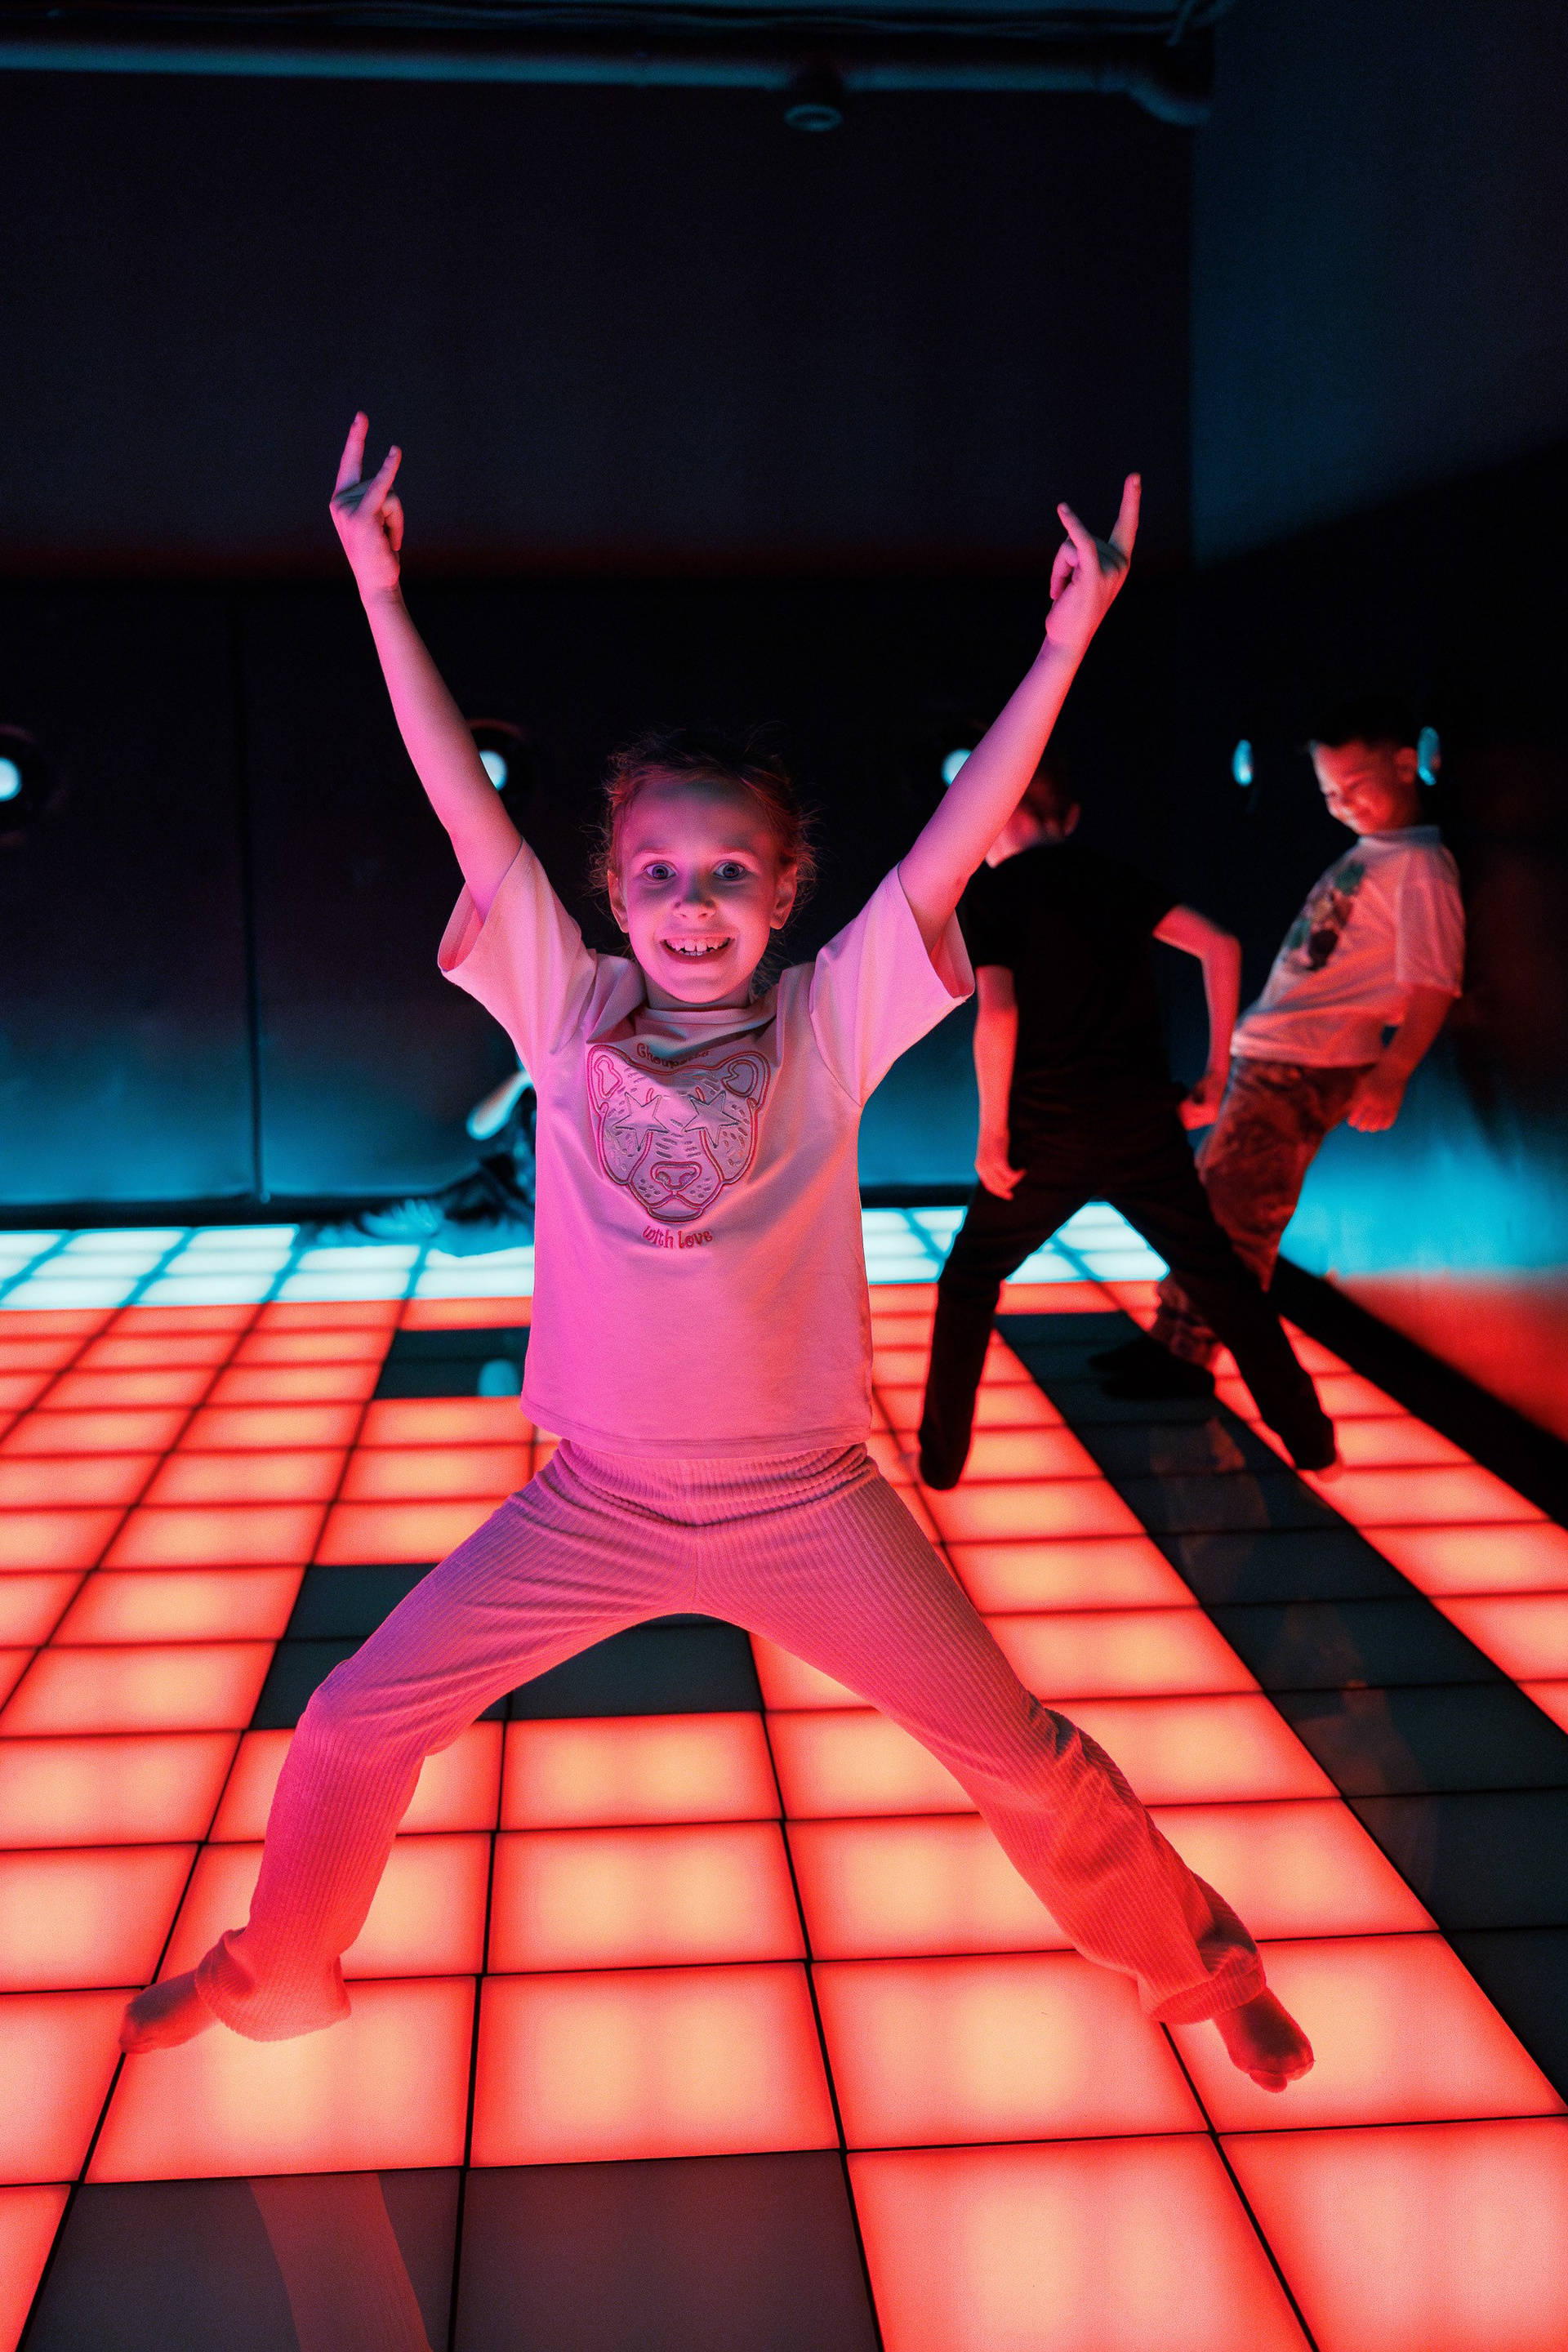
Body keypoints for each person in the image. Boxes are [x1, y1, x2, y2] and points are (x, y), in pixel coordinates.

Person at [119, 421, 1312, 2094]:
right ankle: (276, 1968)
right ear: (612, 892)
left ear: (788, 890)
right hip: (594, 1501)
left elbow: (955, 840)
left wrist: (1063, 646)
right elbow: (462, 804)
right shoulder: (567, 1007)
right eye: (662, 873)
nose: (695, 901)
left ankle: (1201, 1966)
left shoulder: (832, 1021)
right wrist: (379, 594)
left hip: (808, 1500)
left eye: (732, 873)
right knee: (351, 1722)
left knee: (1019, 1752)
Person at [916, 757, 1335, 1489]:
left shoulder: (995, 893)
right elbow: (1221, 946)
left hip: (1046, 1135)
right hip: (1144, 1128)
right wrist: (1216, 1076)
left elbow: (1001, 1011)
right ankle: (1313, 1443)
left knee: (970, 1280)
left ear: (996, 821)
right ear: (1069, 819)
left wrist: (992, 1133)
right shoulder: (1108, 875)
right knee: (1220, 1280)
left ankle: (940, 1465)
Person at [1102, 695, 1464, 1394]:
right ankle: (1172, 1337)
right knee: (1214, 1202)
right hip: (1281, 1054)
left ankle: (1190, 1355)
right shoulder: (1378, 857)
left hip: (1306, 1061)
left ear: (1405, 765)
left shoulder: (1420, 868)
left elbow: (1434, 983)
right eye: (1330, 793)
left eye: (1355, 786)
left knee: (1236, 1217)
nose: (1343, 804)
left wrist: (1393, 1070)